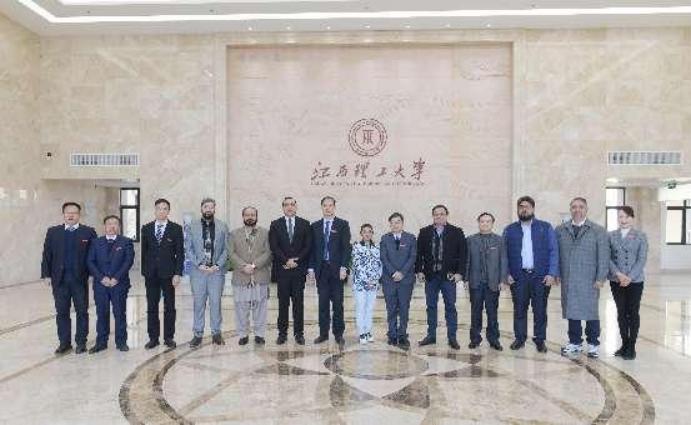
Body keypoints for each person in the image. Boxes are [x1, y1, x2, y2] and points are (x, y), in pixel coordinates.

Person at [503, 196, 558, 353]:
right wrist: (506, 273)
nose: (524, 209)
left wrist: (552, 273)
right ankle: (520, 338)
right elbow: (503, 254)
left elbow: (553, 251)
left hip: (540, 277)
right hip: (518, 277)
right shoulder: (509, 230)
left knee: (540, 310)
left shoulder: (545, 227)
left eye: (527, 206)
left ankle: (540, 340)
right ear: (518, 209)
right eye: (521, 207)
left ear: (533, 209)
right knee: (519, 310)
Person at [555, 197, 609, 358]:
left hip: (589, 279)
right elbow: (556, 254)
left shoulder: (598, 230)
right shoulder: (561, 230)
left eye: (581, 207)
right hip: (569, 278)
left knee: (591, 312)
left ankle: (593, 344)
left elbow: (604, 256)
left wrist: (600, 277)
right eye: (574, 207)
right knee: (572, 311)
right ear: (570, 209)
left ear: (586, 209)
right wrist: (557, 273)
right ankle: (575, 342)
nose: (577, 210)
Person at [41, 202, 97, 355]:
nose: (71, 215)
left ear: (79, 215)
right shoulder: (53, 232)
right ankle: (64, 343)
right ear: (63, 214)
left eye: (74, 212)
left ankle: (81, 342)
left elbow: (93, 255)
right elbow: (47, 255)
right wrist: (46, 275)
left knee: (82, 311)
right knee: (62, 312)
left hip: (80, 280)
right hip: (59, 280)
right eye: (68, 212)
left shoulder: (88, 232)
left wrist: (93, 274)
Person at [415, 204, 467, 350]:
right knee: (431, 306)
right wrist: (419, 271)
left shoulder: (457, 232)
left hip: (448, 277)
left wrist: (460, 273)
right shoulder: (424, 232)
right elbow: (419, 254)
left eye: (441, 214)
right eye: (436, 214)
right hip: (430, 277)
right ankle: (431, 335)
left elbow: (463, 255)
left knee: (450, 306)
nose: (438, 216)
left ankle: (452, 337)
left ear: (446, 215)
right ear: (433, 216)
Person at [86, 215, 135, 353]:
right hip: (100, 285)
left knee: (119, 313)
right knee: (102, 313)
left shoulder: (126, 242)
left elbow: (128, 261)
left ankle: (121, 342)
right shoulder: (96, 242)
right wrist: (101, 278)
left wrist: (116, 278)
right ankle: (101, 343)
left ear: (119, 226)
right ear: (104, 226)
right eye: (109, 223)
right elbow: (90, 261)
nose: (112, 226)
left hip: (119, 284)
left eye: (115, 223)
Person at [141, 198, 184, 349]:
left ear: (168, 211)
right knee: (152, 307)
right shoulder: (146, 228)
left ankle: (169, 337)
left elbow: (180, 253)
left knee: (169, 307)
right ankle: (153, 338)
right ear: (155, 210)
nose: (162, 211)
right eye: (159, 208)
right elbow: (144, 253)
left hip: (169, 274)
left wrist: (177, 273)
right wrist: (145, 272)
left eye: (165, 208)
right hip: (151, 275)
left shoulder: (176, 229)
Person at [308, 196, 352, 347]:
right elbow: (312, 249)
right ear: (322, 207)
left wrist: (344, 267)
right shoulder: (315, 226)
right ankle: (323, 333)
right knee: (323, 303)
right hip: (321, 271)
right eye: (325, 205)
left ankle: (338, 334)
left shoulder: (342, 224)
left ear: (334, 207)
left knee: (338, 303)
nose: (328, 208)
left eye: (330, 205)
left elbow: (346, 248)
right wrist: (311, 269)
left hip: (337, 271)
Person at [186, 198, 229, 348]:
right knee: (199, 303)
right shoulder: (192, 226)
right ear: (201, 208)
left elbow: (226, 249)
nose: (208, 209)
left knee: (216, 303)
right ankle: (197, 334)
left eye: (211, 207)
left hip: (216, 272)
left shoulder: (223, 226)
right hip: (198, 272)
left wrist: (217, 265)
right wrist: (199, 264)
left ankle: (216, 333)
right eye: (206, 207)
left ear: (215, 209)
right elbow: (188, 248)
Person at [269, 197, 312, 345]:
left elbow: (308, 246)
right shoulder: (275, 224)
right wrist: (286, 261)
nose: (290, 207)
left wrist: (296, 261)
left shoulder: (305, 224)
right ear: (283, 207)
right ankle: (282, 333)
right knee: (283, 304)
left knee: (298, 304)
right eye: (286, 205)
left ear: (296, 207)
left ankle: (299, 333)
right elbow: (274, 246)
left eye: (292, 204)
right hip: (282, 271)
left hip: (298, 272)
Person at [608, 206, 648, 360]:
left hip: (635, 281)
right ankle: (624, 343)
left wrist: (629, 277)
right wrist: (618, 274)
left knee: (633, 312)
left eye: (626, 217)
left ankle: (631, 346)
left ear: (632, 218)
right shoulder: (611, 236)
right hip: (616, 280)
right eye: (620, 217)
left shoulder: (641, 236)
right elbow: (607, 258)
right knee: (621, 312)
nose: (623, 220)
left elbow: (641, 259)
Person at [229, 206, 271, 346]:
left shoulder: (265, 233)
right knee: (241, 308)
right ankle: (243, 334)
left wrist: (254, 265)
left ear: (256, 216)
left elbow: (268, 253)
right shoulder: (234, 234)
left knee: (260, 308)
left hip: (259, 275)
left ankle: (259, 334)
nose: (250, 217)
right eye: (247, 215)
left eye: (253, 214)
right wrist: (243, 266)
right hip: (241, 276)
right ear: (243, 217)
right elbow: (231, 253)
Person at [465, 212, 507, 351]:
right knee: (475, 312)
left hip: (493, 283)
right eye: (482, 221)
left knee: (492, 313)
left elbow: (503, 261)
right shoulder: (470, 240)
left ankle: (494, 339)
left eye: (488, 221)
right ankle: (475, 339)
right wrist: (466, 279)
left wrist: (502, 280)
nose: (485, 224)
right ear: (478, 223)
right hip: (475, 282)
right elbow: (467, 260)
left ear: (492, 223)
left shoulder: (499, 240)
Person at [380, 212, 417, 350]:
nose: (395, 225)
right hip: (389, 280)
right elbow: (383, 257)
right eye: (393, 223)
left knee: (404, 308)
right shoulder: (385, 238)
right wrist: (393, 272)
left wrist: (402, 272)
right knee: (391, 308)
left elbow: (412, 257)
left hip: (405, 280)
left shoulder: (411, 238)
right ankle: (392, 334)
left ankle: (402, 335)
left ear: (402, 223)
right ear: (390, 224)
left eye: (398, 222)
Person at [351, 223, 382, 345]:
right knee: (361, 307)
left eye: (369, 231)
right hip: (360, 284)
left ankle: (368, 331)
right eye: (364, 231)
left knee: (369, 309)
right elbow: (356, 265)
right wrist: (366, 280)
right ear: (361, 234)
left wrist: (375, 279)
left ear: (372, 233)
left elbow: (380, 265)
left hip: (373, 284)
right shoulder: (356, 247)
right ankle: (361, 333)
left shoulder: (377, 248)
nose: (367, 234)